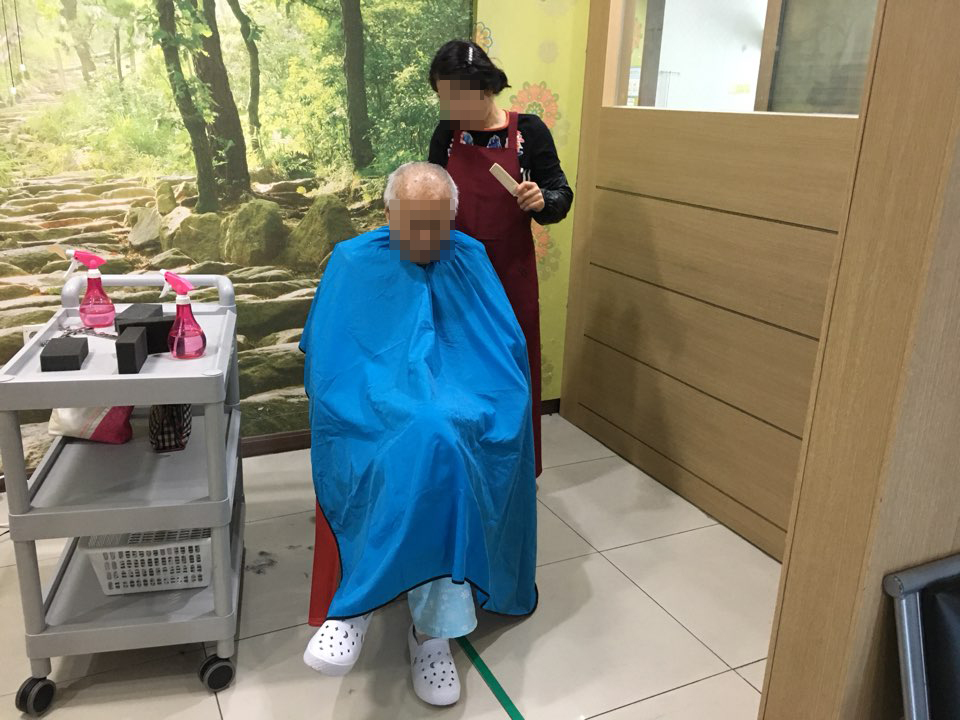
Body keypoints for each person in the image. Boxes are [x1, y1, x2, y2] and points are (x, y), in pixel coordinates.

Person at [300, 162, 538, 707]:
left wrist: (468, 400)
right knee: (426, 439)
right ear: (388, 214)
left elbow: (502, 354)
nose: (424, 238)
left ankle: (394, 621)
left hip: (464, 397)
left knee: (440, 440)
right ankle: (397, 620)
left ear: (453, 218)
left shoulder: (470, 257)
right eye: (411, 223)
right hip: (372, 401)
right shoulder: (353, 261)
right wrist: (391, 399)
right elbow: (330, 362)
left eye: (436, 225)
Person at [428, 39, 574, 478]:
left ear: (486, 88)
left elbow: (561, 196)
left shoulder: (529, 132)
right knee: (458, 372)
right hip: (455, 276)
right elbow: (433, 194)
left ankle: (513, 473)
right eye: (444, 99)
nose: (450, 108)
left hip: (511, 276)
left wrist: (541, 199)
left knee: (512, 374)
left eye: (458, 98)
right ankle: (463, 471)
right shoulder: (446, 135)